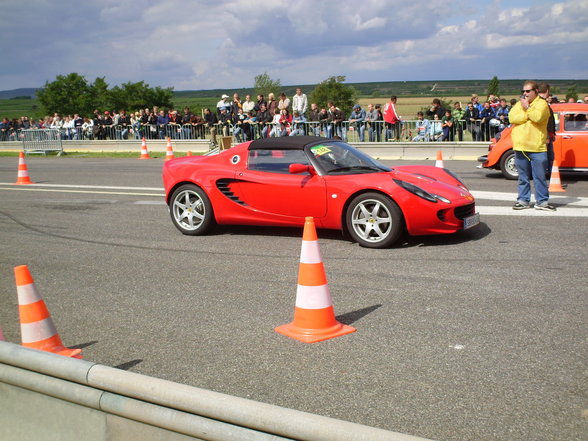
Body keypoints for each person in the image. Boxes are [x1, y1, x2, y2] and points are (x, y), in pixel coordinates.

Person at [509, 80, 554, 211]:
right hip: (521, 146)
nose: (525, 93)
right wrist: (526, 113)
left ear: (535, 91)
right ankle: (523, 200)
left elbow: (538, 117)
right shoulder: (519, 104)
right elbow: (512, 118)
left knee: (539, 176)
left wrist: (527, 108)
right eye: (523, 91)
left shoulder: (542, 104)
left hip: (536, 147)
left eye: (528, 91)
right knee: (523, 177)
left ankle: (542, 201)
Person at [538, 82, 556, 175]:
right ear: (547, 91)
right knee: (547, 158)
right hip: (544, 135)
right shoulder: (542, 103)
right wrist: (548, 135)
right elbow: (546, 121)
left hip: (543, 134)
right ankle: (545, 177)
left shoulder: (539, 102)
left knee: (547, 158)